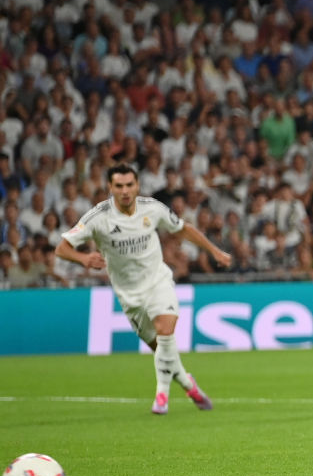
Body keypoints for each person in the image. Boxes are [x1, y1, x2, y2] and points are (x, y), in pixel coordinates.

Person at [55, 163, 232, 414]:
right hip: (130, 295)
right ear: (110, 187)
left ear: (137, 185)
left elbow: (183, 229)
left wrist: (214, 250)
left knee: (165, 329)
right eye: (119, 186)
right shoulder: (98, 217)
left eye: (130, 185)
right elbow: (62, 248)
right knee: (163, 350)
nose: (125, 191)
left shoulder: (152, 208)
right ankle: (188, 384)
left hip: (158, 281)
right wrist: (83, 259)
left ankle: (162, 396)